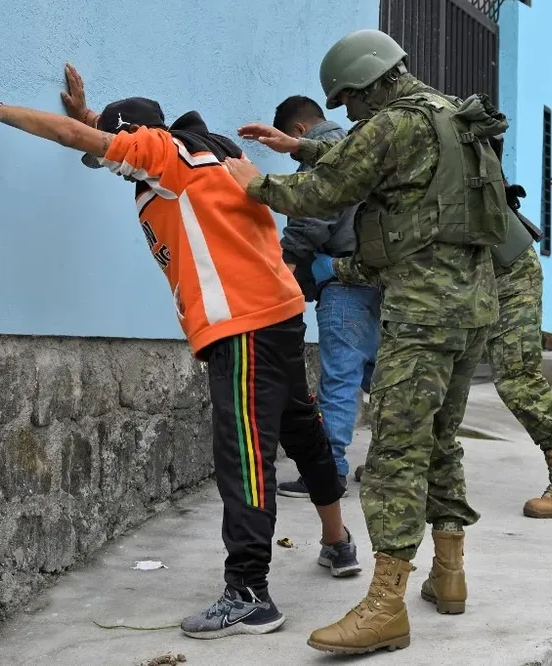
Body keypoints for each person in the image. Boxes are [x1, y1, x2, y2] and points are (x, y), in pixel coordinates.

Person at [0, 51, 360, 641]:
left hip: (241, 323)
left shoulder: (159, 155)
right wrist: (94, 116)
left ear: (134, 139)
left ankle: (250, 594)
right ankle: (337, 543)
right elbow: (110, 145)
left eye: (109, 147)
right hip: (278, 312)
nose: (104, 159)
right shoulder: (209, 150)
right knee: (302, 431)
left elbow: (88, 141)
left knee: (246, 457)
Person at [223, 29, 509, 654]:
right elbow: (368, 161)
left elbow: (324, 193)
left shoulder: (392, 123)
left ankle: (385, 606)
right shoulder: (450, 116)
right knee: (440, 441)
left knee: (395, 457)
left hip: (422, 311)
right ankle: (449, 573)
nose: (350, 110)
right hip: (474, 307)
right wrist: (299, 145)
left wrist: (255, 181)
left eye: (351, 98)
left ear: (374, 80)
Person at [270, 95, 380, 499]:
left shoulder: (322, 153)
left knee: (340, 376)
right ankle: (392, 460)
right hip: (376, 277)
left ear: (298, 131)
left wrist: (289, 261)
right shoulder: (358, 143)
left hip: (341, 279)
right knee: (378, 374)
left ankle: (329, 469)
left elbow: (314, 213)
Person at [486, 206, 552, 518]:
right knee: (434, 367)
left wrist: (340, 268)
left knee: (517, 376)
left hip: (507, 273)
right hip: (463, 274)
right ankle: (407, 464)